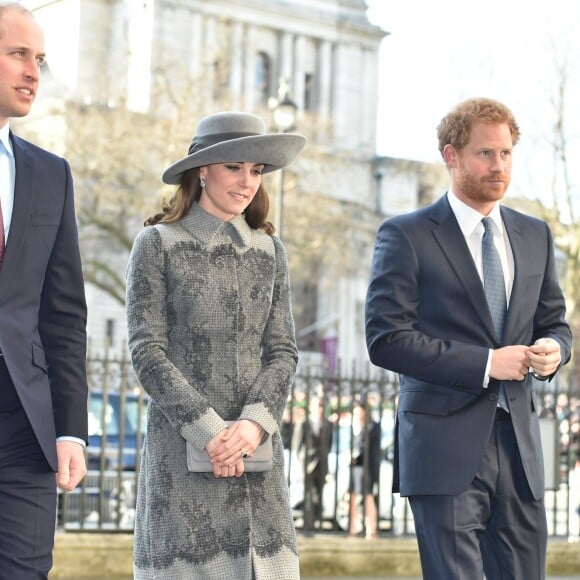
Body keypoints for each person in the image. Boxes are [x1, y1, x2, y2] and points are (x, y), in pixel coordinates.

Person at [365, 97, 572, 579]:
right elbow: (385, 338)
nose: (498, 166)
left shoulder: (535, 235)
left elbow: (555, 323)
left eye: (505, 154)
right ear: (451, 155)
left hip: (520, 450)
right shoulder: (406, 235)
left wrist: (554, 351)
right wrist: (485, 363)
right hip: (444, 448)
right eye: (485, 153)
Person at [126, 111, 306, 579]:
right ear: (202, 170)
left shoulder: (271, 252)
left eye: (256, 170)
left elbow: (283, 351)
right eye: (234, 167)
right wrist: (211, 433)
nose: (247, 181)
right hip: (181, 464)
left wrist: (252, 427)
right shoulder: (157, 244)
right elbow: (147, 351)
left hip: (257, 459)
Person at [0, 4, 88, 578]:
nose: (34, 71)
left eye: (41, 59)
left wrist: (70, 429)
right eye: (18, 54)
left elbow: (63, 314)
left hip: (24, 426)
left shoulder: (50, 172)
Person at [347, 401, 380, 539]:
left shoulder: (372, 426)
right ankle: (353, 528)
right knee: (353, 496)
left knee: (368, 496)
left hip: (367, 467)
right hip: (356, 467)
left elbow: (363, 447)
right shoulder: (357, 426)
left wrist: (354, 454)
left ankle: (371, 529)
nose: (357, 414)